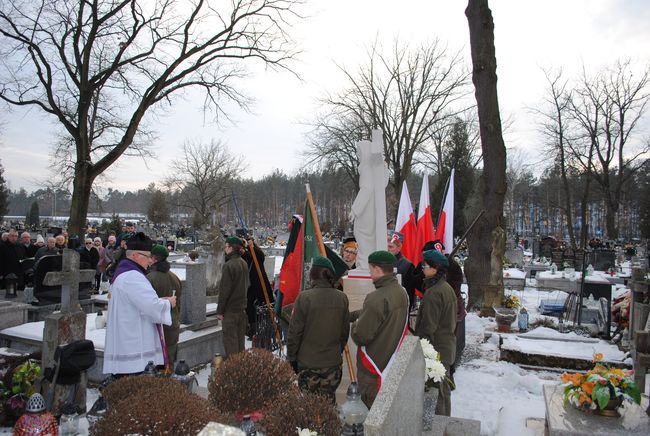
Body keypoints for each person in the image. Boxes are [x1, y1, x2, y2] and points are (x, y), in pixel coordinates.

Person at [103, 232, 176, 376]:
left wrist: (161, 302)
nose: (150, 261)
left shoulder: (125, 273)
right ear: (135, 255)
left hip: (126, 341)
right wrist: (168, 303)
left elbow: (140, 303)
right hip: (134, 349)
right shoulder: (134, 277)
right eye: (148, 256)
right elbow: (151, 307)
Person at [351, 250, 409, 408]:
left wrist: (355, 323)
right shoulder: (401, 292)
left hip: (374, 368)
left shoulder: (376, 298)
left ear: (377, 269)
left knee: (372, 415)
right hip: (390, 360)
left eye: (370, 269)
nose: (370, 274)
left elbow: (360, 336)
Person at [287, 256, 350, 403]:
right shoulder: (342, 298)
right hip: (332, 363)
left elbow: (295, 333)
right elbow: (344, 333)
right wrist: (336, 351)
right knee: (328, 403)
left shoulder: (304, 297)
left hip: (308, 364)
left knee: (310, 405)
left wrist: (292, 358)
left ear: (313, 274)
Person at [414, 249, 457, 416]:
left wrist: (423, 350)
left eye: (425, 265)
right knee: (443, 392)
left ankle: (439, 426)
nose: (423, 268)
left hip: (436, 350)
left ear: (435, 269)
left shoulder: (434, 293)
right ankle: (445, 423)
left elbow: (428, 327)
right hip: (446, 347)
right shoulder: (445, 288)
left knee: (437, 393)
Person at [147, 244, 183, 363]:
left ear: (154, 259)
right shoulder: (174, 277)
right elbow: (178, 303)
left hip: (156, 328)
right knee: (169, 363)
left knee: (157, 365)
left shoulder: (149, 278)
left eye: (149, 257)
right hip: (172, 325)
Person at [217, 236, 250, 358]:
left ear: (231, 248)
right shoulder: (243, 263)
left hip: (230, 312)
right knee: (240, 346)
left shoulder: (229, 265)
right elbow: (247, 285)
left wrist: (220, 311)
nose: (225, 249)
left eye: (226, 246)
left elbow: (224, 291)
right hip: (241, 310)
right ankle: (241, 372)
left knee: (231, 347)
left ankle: (234, 374)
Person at [242, 238, 274, 339]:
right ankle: (253, 331)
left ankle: (267, 331)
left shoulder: (257, 256)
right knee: (250, 310)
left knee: (263, 310)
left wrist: (250, 245)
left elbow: (260, 255)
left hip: (261, 287)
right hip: (249, 289)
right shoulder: (244, 257)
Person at [387, 231, 417, 310]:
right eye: (386, 246)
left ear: (399, 248)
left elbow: (410, 293)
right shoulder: (382, 262)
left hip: (399, 308)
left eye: (390, 247)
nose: (387, 249)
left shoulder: (407, 265)